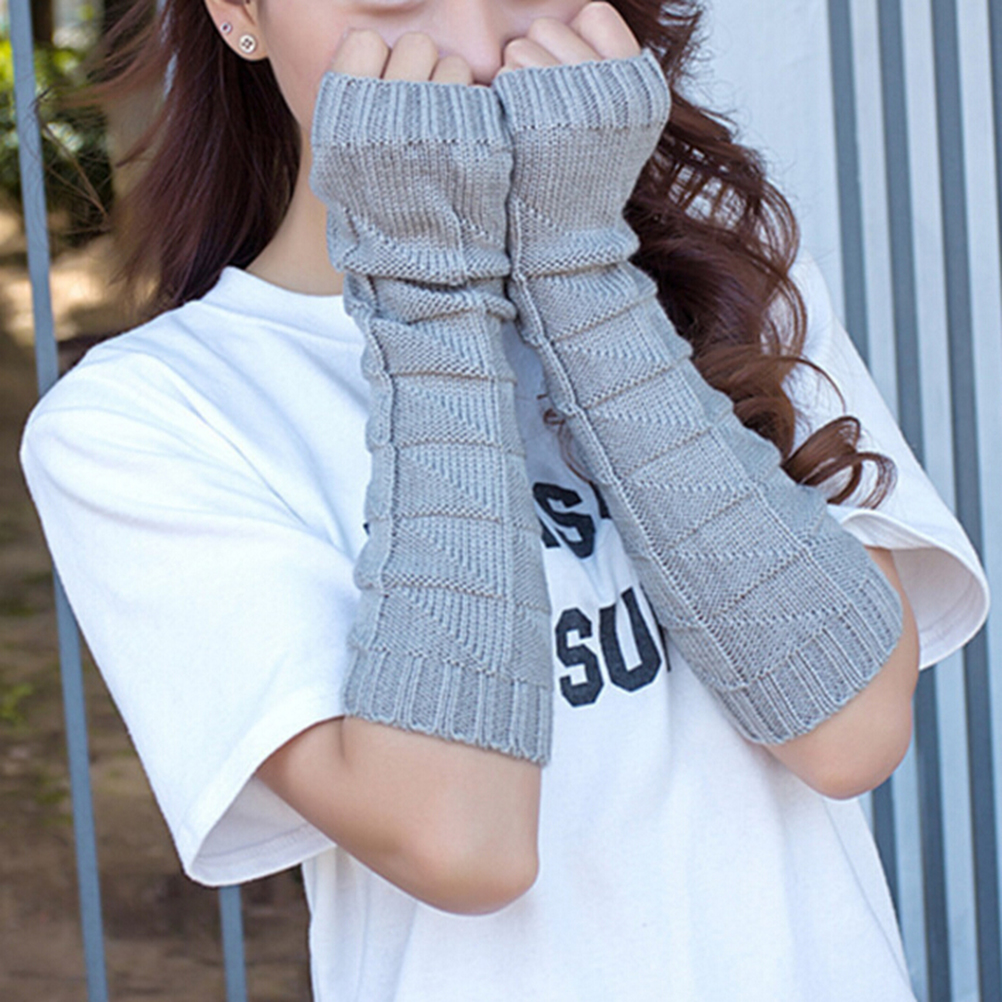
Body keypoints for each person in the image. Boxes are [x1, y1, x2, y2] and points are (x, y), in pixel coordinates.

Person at [20, 1, 990, 998]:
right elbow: (461, 843)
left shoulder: (724, 273)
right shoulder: (152, 419)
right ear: (238, 12)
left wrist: (584, 273)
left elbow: (849, 735)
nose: (483, 51)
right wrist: (431, 292)